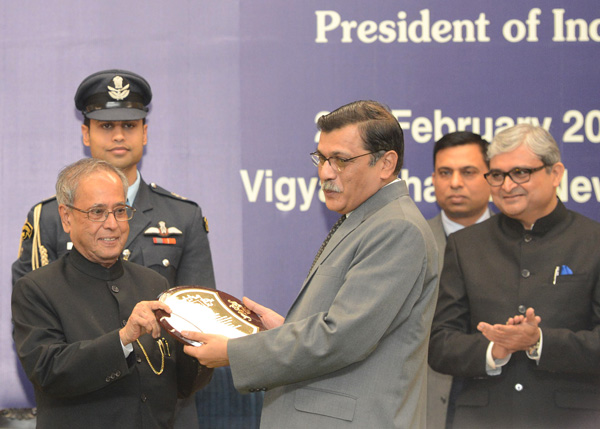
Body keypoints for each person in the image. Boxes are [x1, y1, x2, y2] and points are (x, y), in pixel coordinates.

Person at [183, 100, 439, 428]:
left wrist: (236, 353)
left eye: (341, 160)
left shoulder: (396, 228)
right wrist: (285, 330)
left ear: (386, 163)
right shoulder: (365, 218)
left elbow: (342, 337)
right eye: (322, 158)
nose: (325, 172)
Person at [11, 69, 215, 428]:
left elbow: (193, 319)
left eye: (120, 211)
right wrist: (122, 339)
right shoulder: (44, 226)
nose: (112, 224)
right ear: (67, 218)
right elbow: (43, 352)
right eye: (96, 212)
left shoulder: (180, 220)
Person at [429, 124, 600, 428]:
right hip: (482, 418)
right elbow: (441, 345)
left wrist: (540, 341)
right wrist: (494, 350)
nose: (507, 186)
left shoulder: (592, 241)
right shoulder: (465, 245)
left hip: (572, 418)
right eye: (497, 175)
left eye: (521, 173)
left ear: (556, 173)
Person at [426, 131, 492, 429]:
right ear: (432, 179)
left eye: (468, 172)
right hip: (424, 404)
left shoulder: (519, 243)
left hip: (497, 401)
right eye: (445, 172)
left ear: (491, 177)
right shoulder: (410, 241)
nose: (455, 182)